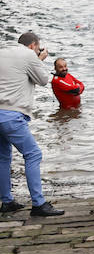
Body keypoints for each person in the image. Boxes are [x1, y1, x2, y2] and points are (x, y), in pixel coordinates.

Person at [0, 31, 64, 217]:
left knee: (3, 157)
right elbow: (43, 79)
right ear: (33, 45)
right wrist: (40, 59)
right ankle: (39, 204)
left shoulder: (3, 51)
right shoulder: (29, 54)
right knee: (33, 154)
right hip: (12, 114)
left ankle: (7, 201)